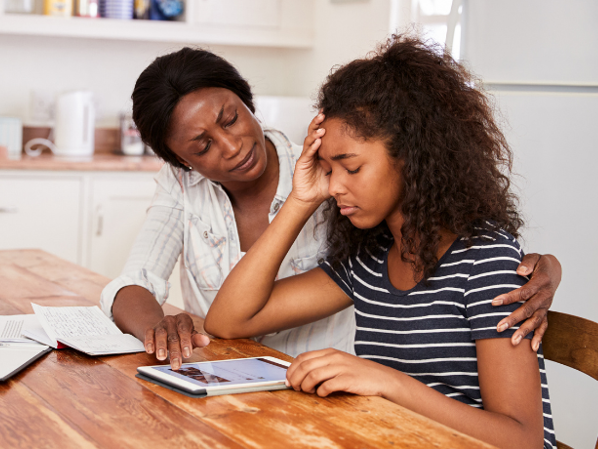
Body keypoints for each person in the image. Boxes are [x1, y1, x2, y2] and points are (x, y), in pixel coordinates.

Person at [100, 47, 562, 370]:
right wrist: (160, 329)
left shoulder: (337, 171)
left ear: (246, 101)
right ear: (183, 160)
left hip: (329, 390)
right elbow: (156, 290)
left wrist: (544, 267)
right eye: (202, 145)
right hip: (246, 386)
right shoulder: (362, 251)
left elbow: (450, 241)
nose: (232, 145)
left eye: (231, 118)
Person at [205, 35, 555, 449]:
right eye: (327, 169)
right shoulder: (369, 260)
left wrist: (386, 382)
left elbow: (524, 440)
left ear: (410, 155)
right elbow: (228, 321)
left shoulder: (485, 261)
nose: (334, 187)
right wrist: (300, 200)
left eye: (350, 168)